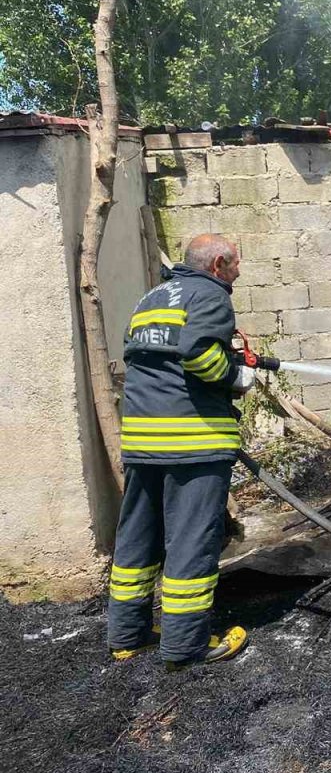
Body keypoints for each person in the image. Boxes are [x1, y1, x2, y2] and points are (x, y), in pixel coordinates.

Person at [107, 233, 256, 669]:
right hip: (192, 443)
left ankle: (128, 636)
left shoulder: (151, 298)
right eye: (235, 266)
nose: (238, 273)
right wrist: (237, 378)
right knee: (191, 540)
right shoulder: (209, 294)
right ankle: (186, 645)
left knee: (137, 539)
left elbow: (153, 358)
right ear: (218, 264)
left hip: (142, 440)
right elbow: (197, 355)